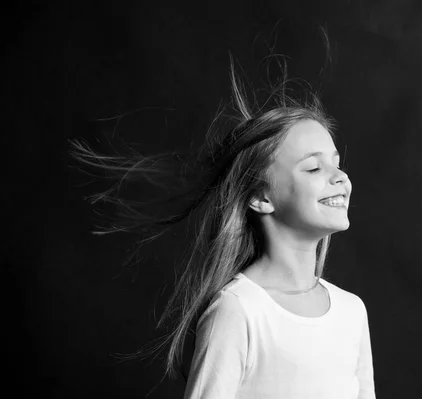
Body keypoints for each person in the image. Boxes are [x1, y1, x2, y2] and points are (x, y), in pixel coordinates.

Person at [69, 52, 376, 398]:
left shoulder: (352, 312)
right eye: (314, 168)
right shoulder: (239, 311)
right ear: (261, 197)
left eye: (337, 164)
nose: (341, 178)